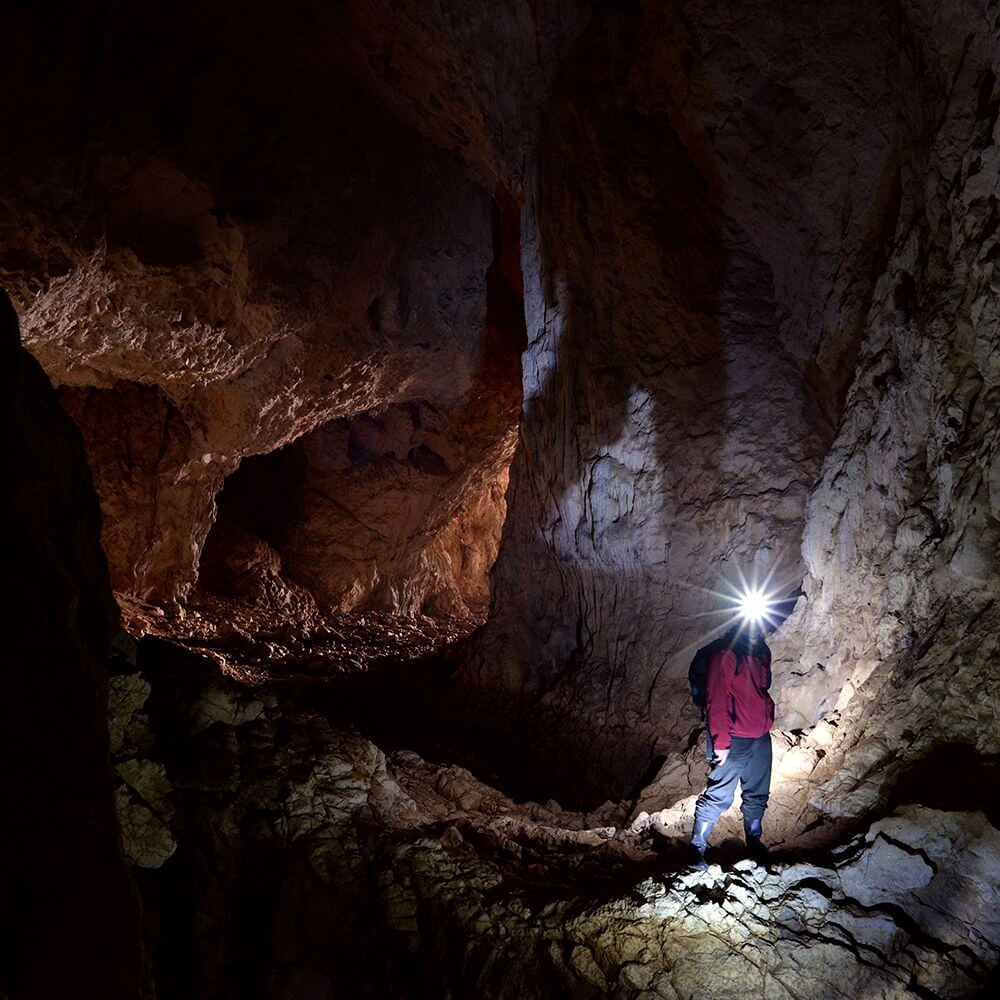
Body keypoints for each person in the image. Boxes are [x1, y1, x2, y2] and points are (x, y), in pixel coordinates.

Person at [689, 621, 775, 868]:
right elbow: (716, 700)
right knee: (719, 794)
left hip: (760, 737)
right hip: (733, 738)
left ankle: (754, 842)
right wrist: (721, 742)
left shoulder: (761, 652)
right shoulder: (725, 653)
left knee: (757, 794)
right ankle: (696, 848)